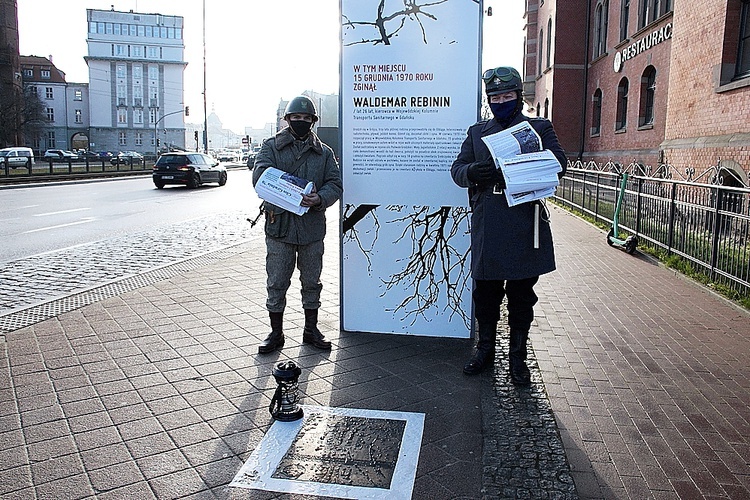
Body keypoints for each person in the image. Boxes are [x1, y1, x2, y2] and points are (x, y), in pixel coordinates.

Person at [450, 66, 567, 384]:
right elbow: (457, 169)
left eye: (507, 95)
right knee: (485, 295)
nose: (501, 101)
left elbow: (560, 164)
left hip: (523, 221)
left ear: (518, 96)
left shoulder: (538, 127)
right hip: (489, 223)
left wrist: (527, 168)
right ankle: (485, 350)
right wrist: (474, 171)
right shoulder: (477, 132)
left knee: (521, 296)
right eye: (495, 96)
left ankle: (518, 359)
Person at [252, 95, 343, 354]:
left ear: (313, 121)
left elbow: (335, 183)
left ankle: (310, 330)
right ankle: (276, 333)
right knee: (277, 281)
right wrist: (288, 194)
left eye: (306, 118)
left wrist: (320, 198)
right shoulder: (271, 146)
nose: (301, 122)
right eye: (296, 117)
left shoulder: (324, 153)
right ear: (288, 119)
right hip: (279, 226)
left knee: (312, 281)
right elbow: (260, 177)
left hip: (312, 228)